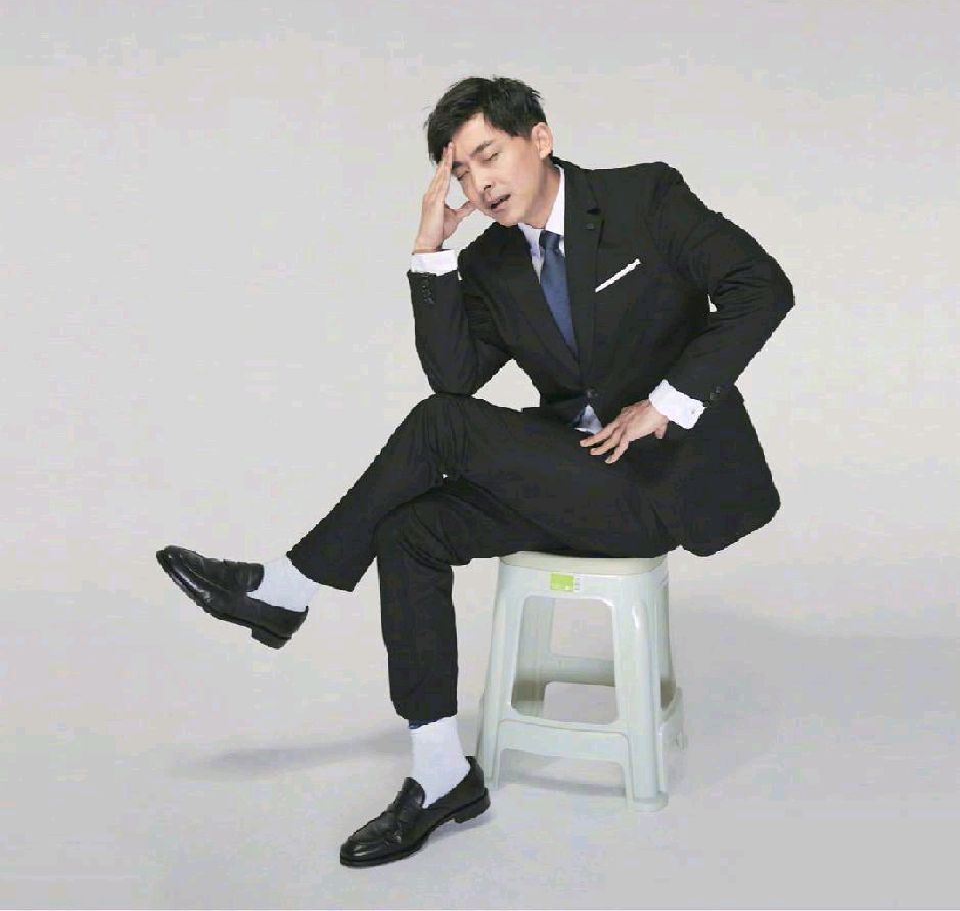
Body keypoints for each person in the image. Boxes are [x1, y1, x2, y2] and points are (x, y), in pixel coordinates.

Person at [156, 75, 795, 868]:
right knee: (409, 530)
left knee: (441, 428)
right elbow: (455, 377)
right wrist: (432, 252)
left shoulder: (644, 199)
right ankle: (440, 774)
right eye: (460, 171)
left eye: (488, 156)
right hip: (577, 476)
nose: (478, 182)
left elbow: (762, 287)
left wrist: (668, 402)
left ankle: (287, 588)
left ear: (540, 138)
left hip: (660, 484)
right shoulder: (492, 260)